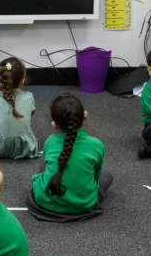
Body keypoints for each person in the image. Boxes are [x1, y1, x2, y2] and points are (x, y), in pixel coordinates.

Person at [27, 93, 113, 222]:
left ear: (54, 124)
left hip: (44, 203)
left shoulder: (50, 141)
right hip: (82, 206)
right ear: (85, 115)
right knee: (107, 177)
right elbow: (95, 176)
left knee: (46, 160)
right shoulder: (96, 145)